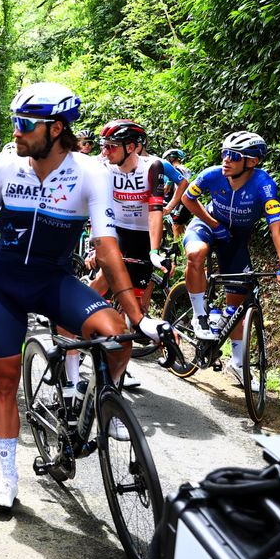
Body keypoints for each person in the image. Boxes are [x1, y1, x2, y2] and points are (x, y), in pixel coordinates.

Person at [0, 83, 164, 512]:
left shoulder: (90, 172)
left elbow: (108, 248)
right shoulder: (5, 166)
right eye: (15, 123)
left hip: (53, 281)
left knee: (117, 334)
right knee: (4, 379)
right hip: (4, 285)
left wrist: (139, 317)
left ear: (56, 129)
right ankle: (7, 477)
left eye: (24, 125)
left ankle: (101, 403)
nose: (15, 132)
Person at [180, 131, 280, 385]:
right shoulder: (212, 175)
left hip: (236, 239)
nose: (226, 160)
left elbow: (277, 227)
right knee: (196, 253)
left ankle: (237, 363)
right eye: (224, 154)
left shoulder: (263, 185)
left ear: (251, 162)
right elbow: (187, 198)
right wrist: (213, 223)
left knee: (236, 306)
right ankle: (199, 315)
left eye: (233, 156)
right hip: (208, 224)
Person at [84, 119, 168, 390]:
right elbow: (95, 204)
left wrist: (155, 251)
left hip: (144, 234)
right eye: (103, 146)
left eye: (111, 146)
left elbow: (155, 210)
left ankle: (119, 366)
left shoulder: (152, 167)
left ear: (131, 147)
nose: (105, 152)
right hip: (115, 230)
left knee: (137, 308)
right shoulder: (103, 166)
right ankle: (76, 318)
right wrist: (93, 245)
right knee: (106, 280)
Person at [162, 148, 192, 241]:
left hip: (181, 200)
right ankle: (182, 246)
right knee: (180, 224)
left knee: (176, 223)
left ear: (170, 158)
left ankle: (178, 246)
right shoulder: (187, 168)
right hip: (189, 199)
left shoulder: (176, 170)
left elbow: (167, 188)